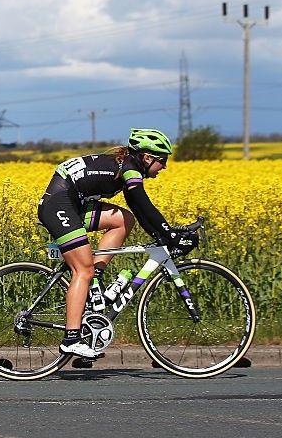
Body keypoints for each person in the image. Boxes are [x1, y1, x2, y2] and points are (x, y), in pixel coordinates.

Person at [37, 128, 195, 358]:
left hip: (74, 203)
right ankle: (71, 339)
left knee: (123, 220)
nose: (164, 167)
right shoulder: (130, 169)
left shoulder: (127, 165)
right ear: (147, 157)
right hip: (59, 206)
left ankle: (96, 282)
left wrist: (162, 234)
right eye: (162, 161)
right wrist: (168, 234)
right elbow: (144, 202)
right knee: (83, 270)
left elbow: (138, 211)